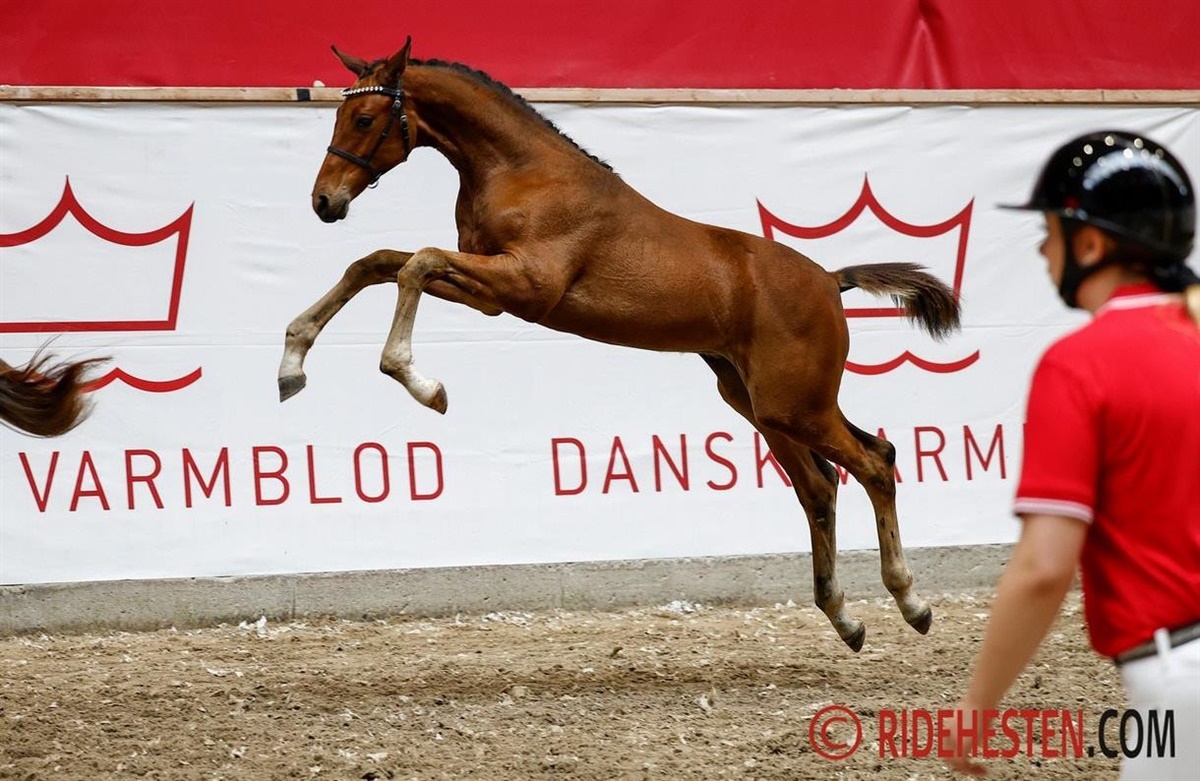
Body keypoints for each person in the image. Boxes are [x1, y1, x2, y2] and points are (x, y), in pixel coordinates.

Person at [946, 130, 1200, 779]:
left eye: (1051, 232)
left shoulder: (1079, 365)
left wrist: (978, 706)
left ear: (1090, 245)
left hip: (1181, 676)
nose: (1042, 249)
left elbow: (1043, 567)